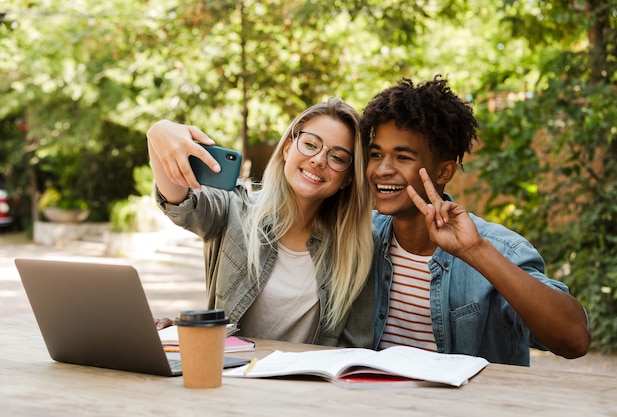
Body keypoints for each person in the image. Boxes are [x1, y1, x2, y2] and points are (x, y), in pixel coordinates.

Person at [361, 76, 591, 365]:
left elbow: (574, 339)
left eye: (402, 157)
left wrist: (476, 252)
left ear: (444, 172)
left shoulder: (496, 247)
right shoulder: (360, 237)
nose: (382, 169)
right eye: (376, 154)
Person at [146, 97, 374, 347]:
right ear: (288, 148)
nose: (319, 160)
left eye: (338, 158)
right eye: (310, 144)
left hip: (305, 384)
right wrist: (158, 132)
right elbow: (178, 201)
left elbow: (354, 349)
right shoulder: (234, 210)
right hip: (230, 378)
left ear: (348, 179)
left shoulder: (356, 248)